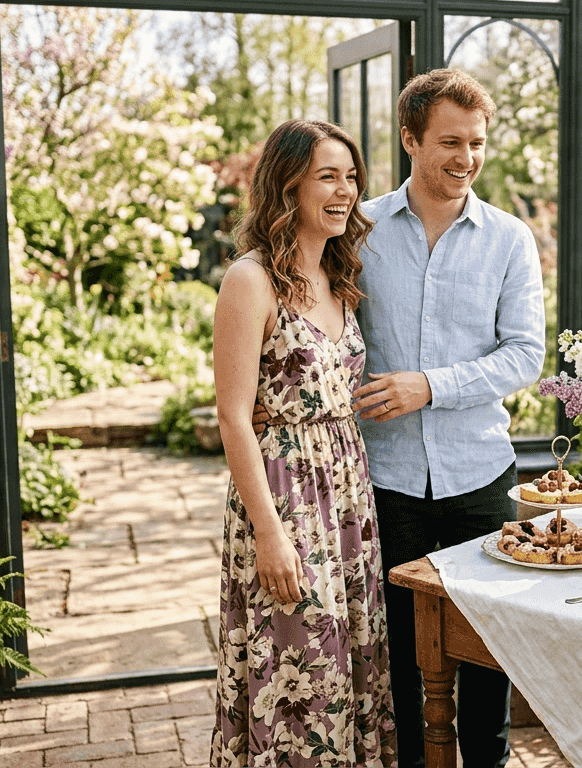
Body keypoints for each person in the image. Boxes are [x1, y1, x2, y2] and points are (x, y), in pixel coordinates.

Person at [350, 69, 546, 768]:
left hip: (479, 479)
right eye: (450, 142)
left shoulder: (509, 239)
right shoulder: (359, 230)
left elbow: (526, 354)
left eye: (477, 143)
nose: (466, 158)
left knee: (486, 657)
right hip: (386, 482)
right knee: (400, 659)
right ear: (410, 139)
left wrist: (429, 386)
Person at [210, 119, 396, 768]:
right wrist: (269, 532)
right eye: (327, 176)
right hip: (285, 501)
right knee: (296, 676)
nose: (345, 191)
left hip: (347, 502)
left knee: (349, 670)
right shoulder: (250, 280)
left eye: (351, 177)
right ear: (287, 184)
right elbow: (234, 416)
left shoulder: (338, 280)